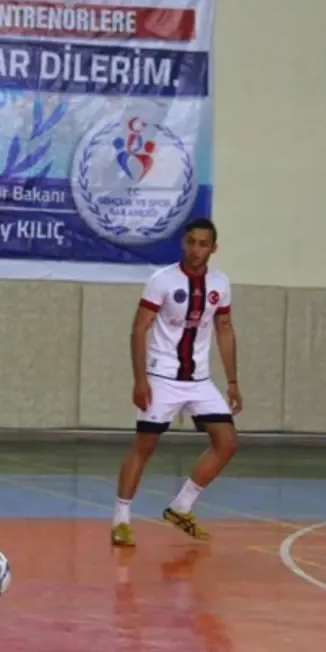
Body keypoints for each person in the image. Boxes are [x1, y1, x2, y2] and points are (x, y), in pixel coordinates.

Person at [111, 218, 242, 547]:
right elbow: (138, 328)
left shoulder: (220, 284)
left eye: (203, 244)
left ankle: (181, 506)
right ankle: (121, 519)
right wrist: (140, 380)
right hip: (162, 376)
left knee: (226, 442)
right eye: (191, 242)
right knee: (145, 447)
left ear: (213, 248)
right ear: (183, 243)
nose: (196, 250)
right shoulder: (162, 280)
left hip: (198, 379)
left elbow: (225, 329)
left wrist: (232, 381)